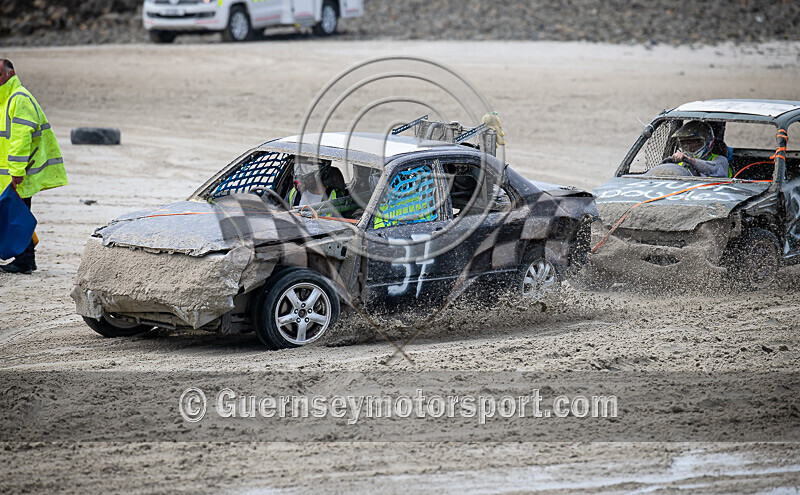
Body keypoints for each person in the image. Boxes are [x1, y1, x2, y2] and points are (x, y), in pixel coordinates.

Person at [0, 58, 68, 274]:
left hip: (18, 174)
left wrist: (17, 172)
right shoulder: (6, 99)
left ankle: (25, 260)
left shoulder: (18, 99)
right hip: (9, 173)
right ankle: (26, 259)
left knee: (18, 215)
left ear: (10, 74)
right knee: (15, 214)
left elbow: (21, 139)